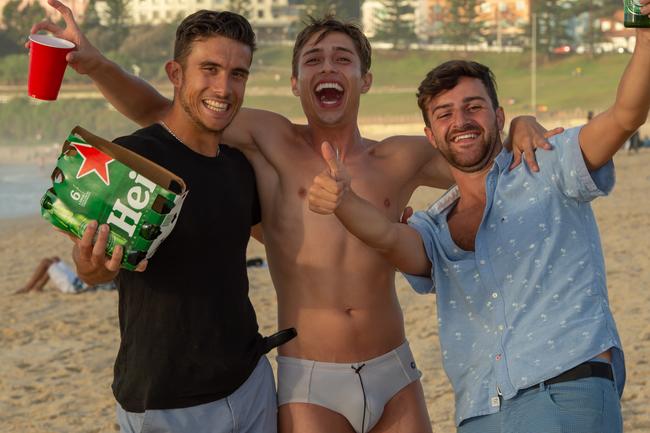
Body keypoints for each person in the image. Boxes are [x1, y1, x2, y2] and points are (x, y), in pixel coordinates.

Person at [32, 2, 557, 432]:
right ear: (293, 82)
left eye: (342, 59)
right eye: (313, 60)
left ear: (365, 78)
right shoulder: (270, 139)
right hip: (310, 379)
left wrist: (521, 125)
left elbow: (477, 156)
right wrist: (95, 63)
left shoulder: (401, 157)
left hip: (395, 370)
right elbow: (164, 111)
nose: (327, 68)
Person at [307, 27, 650, 431]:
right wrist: (343, 200)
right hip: (480, 410)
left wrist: (644, 38)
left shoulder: (550, 166)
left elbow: (626, 114)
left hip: (565, 389)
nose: (461, 121)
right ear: (430, 136)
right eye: (445, 114)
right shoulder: (432, 227)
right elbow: (386, 237)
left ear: (499, 117)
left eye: (474, 107)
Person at [39, 10, 293, 433]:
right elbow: (91, 265)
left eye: (237, 73)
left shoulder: (239, 166)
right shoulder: (135, 160)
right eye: (209, 69)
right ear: (175, 73)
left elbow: (277, 239)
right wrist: (89, 266)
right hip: (164, 401)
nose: (224, 87)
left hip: (250, 385)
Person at [14, 256, 115, 294]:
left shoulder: (111, 279)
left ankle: (27, 288)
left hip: (74, 287)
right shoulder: (113, 274)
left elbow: (96, 283)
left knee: (46, 262)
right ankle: (38, 287)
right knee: (55, 259)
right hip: (78, 280)